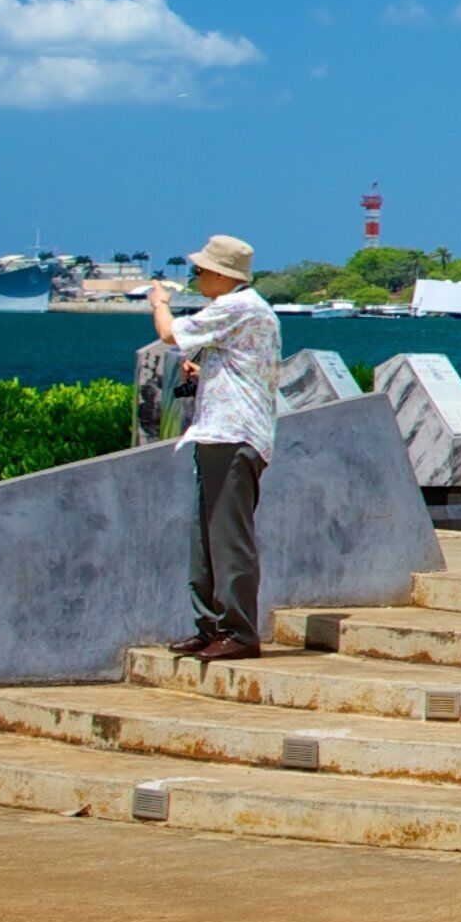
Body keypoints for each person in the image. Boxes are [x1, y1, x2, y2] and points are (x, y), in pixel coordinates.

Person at [151, 234, 279, 661]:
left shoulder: (238, 306)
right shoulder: (243, 309)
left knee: (228, 537)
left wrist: (158, 301)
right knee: (204, 537)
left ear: (223, 275)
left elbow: (169, 333)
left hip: (234, 434)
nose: (197, 276)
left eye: (202, 270)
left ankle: (239, 631)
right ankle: (210, 625)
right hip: (218, 433)